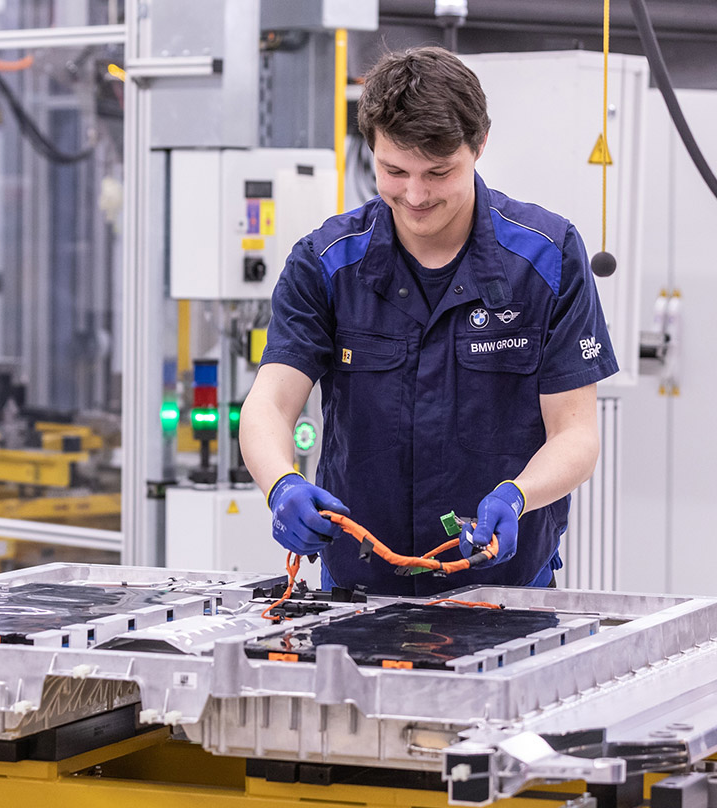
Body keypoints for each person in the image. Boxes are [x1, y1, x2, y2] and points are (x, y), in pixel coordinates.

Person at [238, 46, 618, 594]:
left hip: (504, 594)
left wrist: (519, 494)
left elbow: (577, 433)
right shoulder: (327, 263)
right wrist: (281, 484)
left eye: (439, 172)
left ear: (479, 145)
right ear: (371, 147)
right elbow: (269, 402)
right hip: (358, 595)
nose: (414, 196)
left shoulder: (546, 259)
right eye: (394, 171)